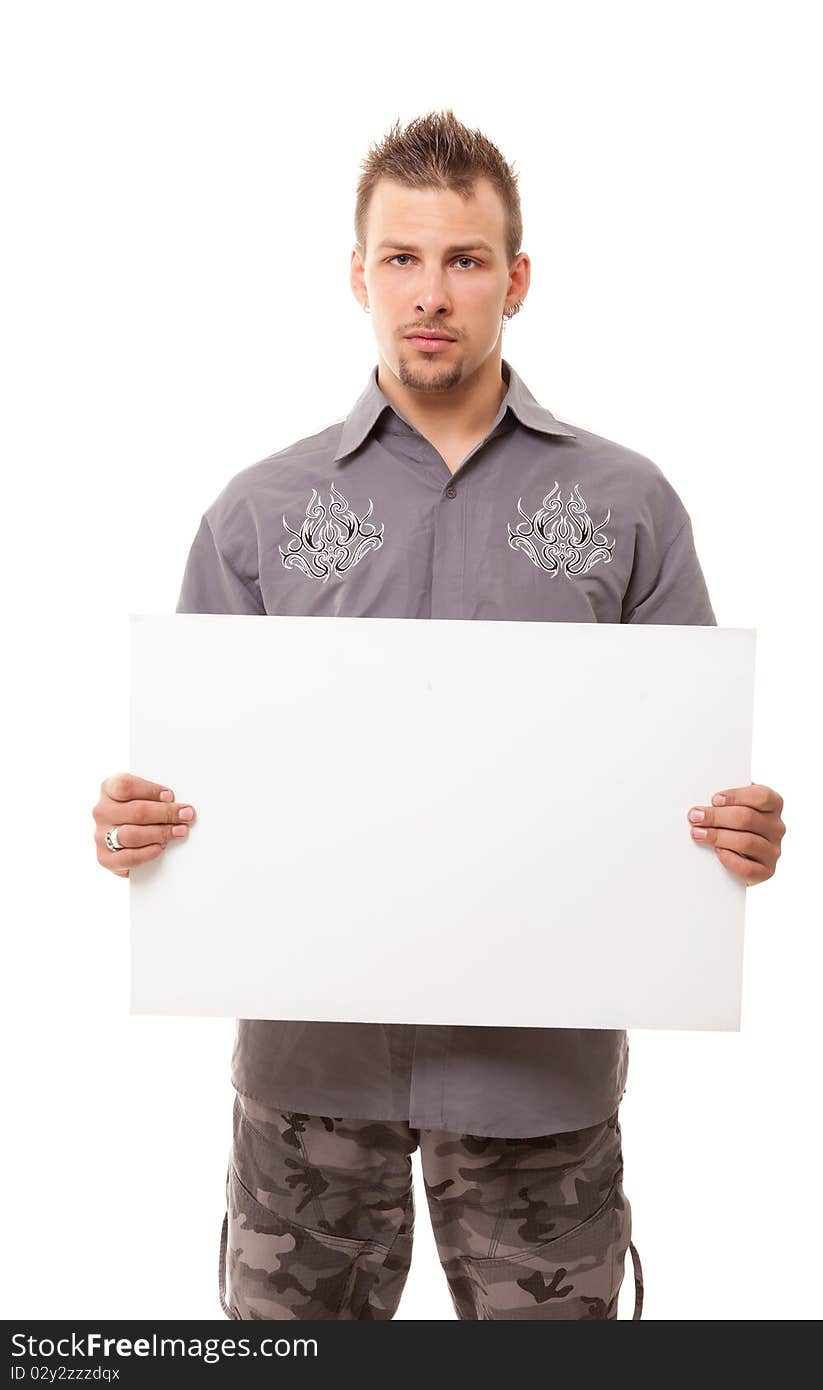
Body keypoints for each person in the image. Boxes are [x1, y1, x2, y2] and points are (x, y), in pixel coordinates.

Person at [92, 110, 786, 1320]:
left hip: (541, 1081)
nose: (431, 292)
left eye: (464, 260)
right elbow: (191, 779)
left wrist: (734, 833)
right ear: (358, 276)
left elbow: (688, 769)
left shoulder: (626, 504)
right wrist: (141, 829)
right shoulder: (259, 512)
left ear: (515, 280)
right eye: (402, 259)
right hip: (309, 1076)